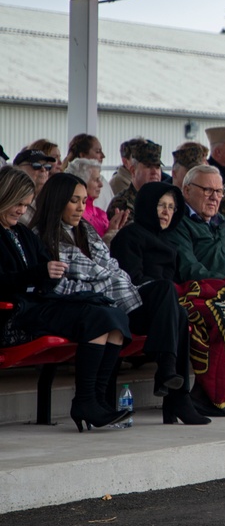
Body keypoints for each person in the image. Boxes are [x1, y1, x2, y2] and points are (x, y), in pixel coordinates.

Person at [31, 173, 204, 422]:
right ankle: (166, 381)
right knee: (159, 294)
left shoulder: (86, 232)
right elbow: (116, 275)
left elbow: (111, 268)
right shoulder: (45, 236)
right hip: (100, 304)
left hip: (118, 301)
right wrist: (104, 282)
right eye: (74, 200)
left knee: (179, 311)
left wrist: (104, 281)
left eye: (83, 201)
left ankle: (174, 392)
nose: (81, 207)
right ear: (57, 200)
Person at [0, 167, 132, 431]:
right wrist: (39, 273)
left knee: (113, 315)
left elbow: (46, 271)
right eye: (17, 204)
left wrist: (50, 273)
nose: (21, 211)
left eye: (25, 205)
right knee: (97, 317)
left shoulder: (22, 233)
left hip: (39, 304)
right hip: (15, 314)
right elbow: (12, 279)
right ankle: (85, 401)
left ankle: (96, 398)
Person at [109, 182, 212, 423]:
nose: (167, 212)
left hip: (161, 314)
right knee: (167, 291)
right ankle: (167, 372)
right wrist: (160, 292)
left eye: (171, 207)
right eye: (161, 206)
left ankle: (178, 398)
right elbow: (128, 280)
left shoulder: (168, 243)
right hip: (131, 308)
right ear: (146, 206)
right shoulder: (129, 235)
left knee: (181, 313)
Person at [164, 165, 225, 281]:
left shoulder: (223, 221)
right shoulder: (176, 224)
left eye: (219, 191)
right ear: (187, 191)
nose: (214, 197)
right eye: (208, 190)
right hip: (218, 289)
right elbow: (189, 269)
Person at [65, 157, 127, 243]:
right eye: (96, 180)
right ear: (82, 182)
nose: (101, 185)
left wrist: (115, 230)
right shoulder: (76, 213)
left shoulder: (100, 213)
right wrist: (110, 233)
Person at [107, 140, 163, 228]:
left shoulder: (164, 200)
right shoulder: (122, 203)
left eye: (157, 166)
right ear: (133, 171)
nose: (155, 172)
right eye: (148, 166)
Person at [12, 148, 56, 224]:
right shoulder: (9, 199)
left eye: (47, 166)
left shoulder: (51, 199)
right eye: (36, 165)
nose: (43, 169)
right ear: (18, 168)